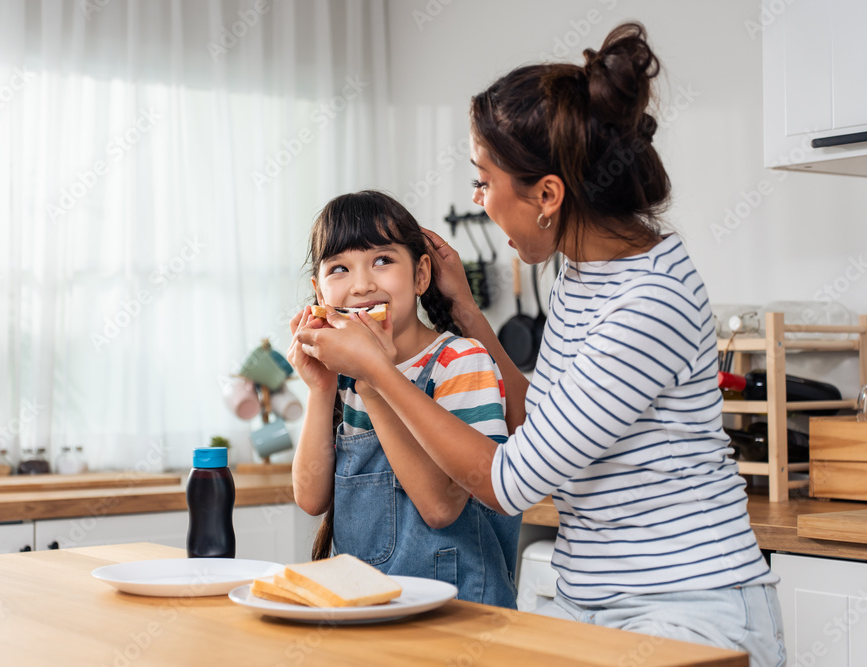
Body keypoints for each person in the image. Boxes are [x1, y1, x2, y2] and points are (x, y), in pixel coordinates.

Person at [295, 22, 786, 666]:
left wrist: (379, 375)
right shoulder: (585, 270)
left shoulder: (649, 302)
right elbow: (536, 417)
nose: (478, 199)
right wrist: (467, 313)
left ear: (547, 195)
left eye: (484, 181)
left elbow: (508, 480)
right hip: (594, 602)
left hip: (683, 608)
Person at [287, 190, 522, 609]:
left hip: (461, 620)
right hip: (369, 616)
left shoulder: (460, 361)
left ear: (421, 275)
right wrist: (320, 390)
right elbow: (309, 498)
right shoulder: (341, 378)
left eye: (382, 260)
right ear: (320, 294)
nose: (362, 285)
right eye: (339, 268)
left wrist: (374, 380)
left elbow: (439, 508)